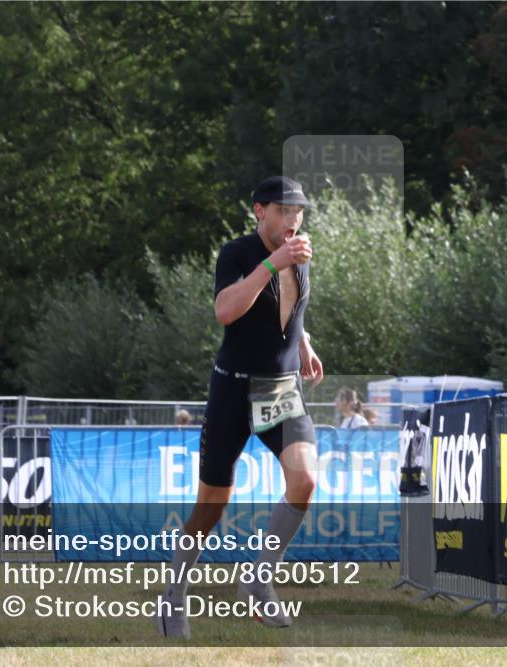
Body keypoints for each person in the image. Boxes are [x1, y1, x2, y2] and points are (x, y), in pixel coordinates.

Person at [156, 176, 325, 639]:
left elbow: (289, 310)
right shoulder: (238, 253)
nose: (293, 220)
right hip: (234, 390)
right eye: (284, 211)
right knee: (211, 506)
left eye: (299, 212)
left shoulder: (299, 256)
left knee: (306, 479)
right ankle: (173, 595)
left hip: (281, 392)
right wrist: (273, 263)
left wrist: (305, 344)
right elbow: (227, 311)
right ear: (259, 211)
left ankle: (258, 578)